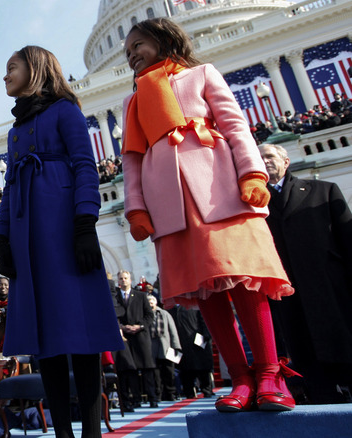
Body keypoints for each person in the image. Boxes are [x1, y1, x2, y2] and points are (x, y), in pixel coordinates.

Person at [122, 17, 296, 413]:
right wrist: (136, 208)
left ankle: (269, 374)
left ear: (163, 40)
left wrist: (252, 172)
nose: (132, 54)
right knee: (206, 293)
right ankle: (240, 378)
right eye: (127, 50)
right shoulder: (133, 101)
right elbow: (131, 160)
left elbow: (235, 125)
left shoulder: (201, 74)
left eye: (138, 45)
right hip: (172, 207)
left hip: (219, 191)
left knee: (246, 283)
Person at [0, 45, 124, 438]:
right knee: (43, 334)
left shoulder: (66, 111)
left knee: (79, 330)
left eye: (11, 67)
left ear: (34, 69)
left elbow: (85, 164)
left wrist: (85, 221)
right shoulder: (15, 131)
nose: (4, 76)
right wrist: (1, 237)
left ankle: (91, 430)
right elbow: (10, 186)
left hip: (64, 231)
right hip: (27, 237)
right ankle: (62, 431)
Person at [259, 143, 352, 403]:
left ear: (286, 161)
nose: (264, 161)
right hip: (288, 297)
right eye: (259, 158)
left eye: (269, 156)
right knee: (307, 362)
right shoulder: (253, 206)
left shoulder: (323, 191)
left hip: (331, 291)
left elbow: (347, 241)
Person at [111, 270, 157, 410]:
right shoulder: (115, 297)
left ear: (130, 280)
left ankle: (152, 398)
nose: (123, 280)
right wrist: (122, 327)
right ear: (117, 281)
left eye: (126, 278)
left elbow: (150, 315)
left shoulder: (141, 296)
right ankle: (133, 399)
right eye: (121, 278)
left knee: (147, 368)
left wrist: (140, 325)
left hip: (141, 336)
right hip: (125, 337)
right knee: (128, 370)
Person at [147, 295, 181, 402]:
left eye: (152, 300)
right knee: (155, 374)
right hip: (151, 348)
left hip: (165, 346)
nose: (151, 302)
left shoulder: (165, 314)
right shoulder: (145, 315)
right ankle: (158, 394)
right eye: (148, 301)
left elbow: (172, 330)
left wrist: (176, 346)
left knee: (168, 371)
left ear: (156, 302)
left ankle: (170, 393)